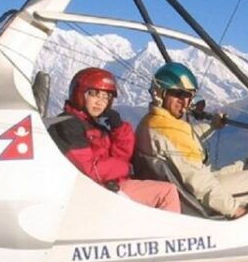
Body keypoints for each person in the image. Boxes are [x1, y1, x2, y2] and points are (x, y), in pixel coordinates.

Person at [135, 62, 248, 218]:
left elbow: (185, 139)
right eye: (177, 94)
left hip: (186, 189)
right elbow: (198, 182)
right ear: (160, 94)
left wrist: (212, 126)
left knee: (243, 167)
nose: (183, 101)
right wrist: (235, 210)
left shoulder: (152, 122)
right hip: (194, 200)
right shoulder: (169, 130)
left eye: (188, 95)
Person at [49, 67, 180, 213]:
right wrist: (125, 167)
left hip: (108, 185)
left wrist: (119, 128)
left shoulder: (93, 125)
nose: (100, 102)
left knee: (166, 189)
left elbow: (122, 155)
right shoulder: (68, 125)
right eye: (94, 94)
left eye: (106, 97)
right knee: (167, 193)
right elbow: (91, 171)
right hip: (92, 192)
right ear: (80, 94)